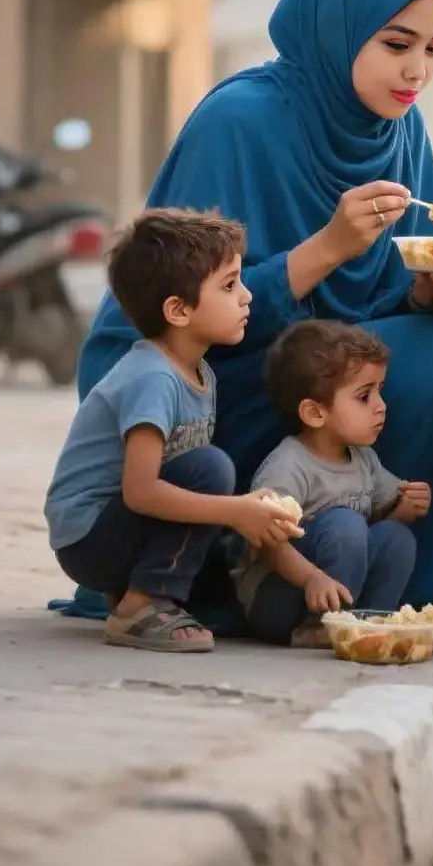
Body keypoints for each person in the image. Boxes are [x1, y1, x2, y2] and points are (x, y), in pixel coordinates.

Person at [73, 0, 433, 643]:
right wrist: (326, 249)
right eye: (397, 44)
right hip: (224, 373)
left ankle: (427, 587)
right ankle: (204, 576)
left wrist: (432, 293)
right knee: (321, 367)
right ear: (338, 32)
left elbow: (384, 301)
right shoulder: (240, 122)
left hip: (328, 369)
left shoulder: (402, 132)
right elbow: (176, 313)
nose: (416, 71)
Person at [44, 209, 303, 653]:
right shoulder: (153, 378)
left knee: (207, 474)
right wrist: (233, 511)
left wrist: (242, 509)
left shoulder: (197, 371)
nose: (246, 297)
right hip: (87, 538)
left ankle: (135, 595)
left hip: (110, 531)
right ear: (178, 310)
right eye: (229, 285)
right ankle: (140, 608)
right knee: (210, 467)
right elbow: (140, 492)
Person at [236, 320, 430, 646]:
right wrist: (312, 578)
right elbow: (268, 545)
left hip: (337, 589)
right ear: (314, 413)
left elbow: (383, 521)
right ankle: (319, 627)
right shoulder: (289, 465)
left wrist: (408, 506)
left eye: (379, 391)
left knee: (396, 538)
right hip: (279, 598)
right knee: (345, 524)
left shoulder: (363, 459)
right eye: (364, 396)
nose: (381, 406)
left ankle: (368, 624)